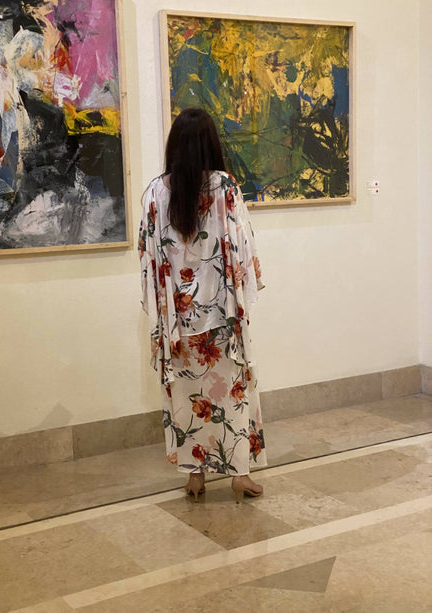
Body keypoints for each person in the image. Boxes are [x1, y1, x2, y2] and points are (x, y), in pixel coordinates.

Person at [139, 108, 266, 503]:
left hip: (178, 323)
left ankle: (194, 477)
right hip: (222, 318)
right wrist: (247, 289)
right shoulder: (225, 187)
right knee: (233, 395)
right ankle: (240, 475)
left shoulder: (156, 193)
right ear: (211, 143)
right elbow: (242, 244)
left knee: (187, 399)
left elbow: (147, 256)